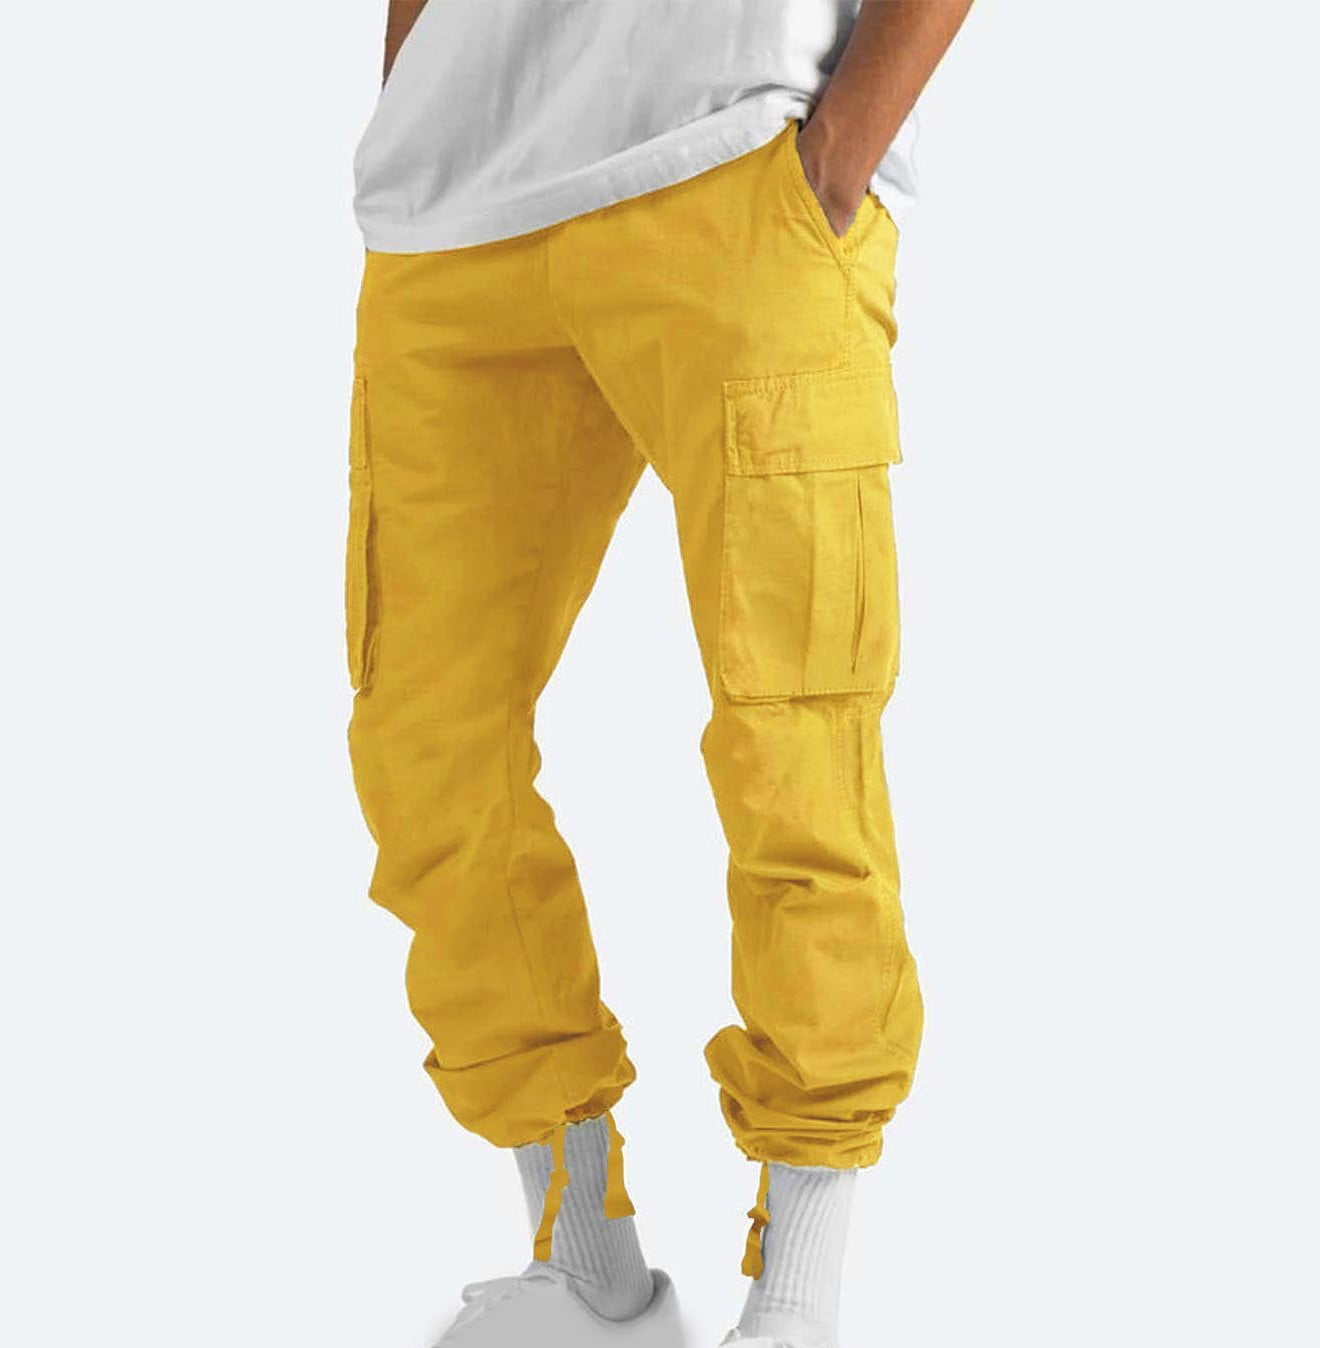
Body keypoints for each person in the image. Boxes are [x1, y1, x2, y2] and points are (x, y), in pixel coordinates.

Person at [344, 3, 973, 1344]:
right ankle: (592, 1277)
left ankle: (797, 1297)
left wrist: (843, 149)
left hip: (735, 163)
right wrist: (411, 86)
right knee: (425, 746)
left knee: (794, 733)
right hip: (452, 209)